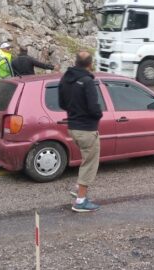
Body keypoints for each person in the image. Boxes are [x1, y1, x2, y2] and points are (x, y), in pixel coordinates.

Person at [59, 51, 102, 213]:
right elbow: (93, 107)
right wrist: (98, 114)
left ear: (75, 62)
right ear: (90, 65)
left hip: (72, 126)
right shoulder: (87, 81)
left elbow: (62, 103)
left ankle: (79, 190)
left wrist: (74, 112)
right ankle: (80, 201)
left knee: (86, 159)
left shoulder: (65, 78)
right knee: (90, 163)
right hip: (87, 128)